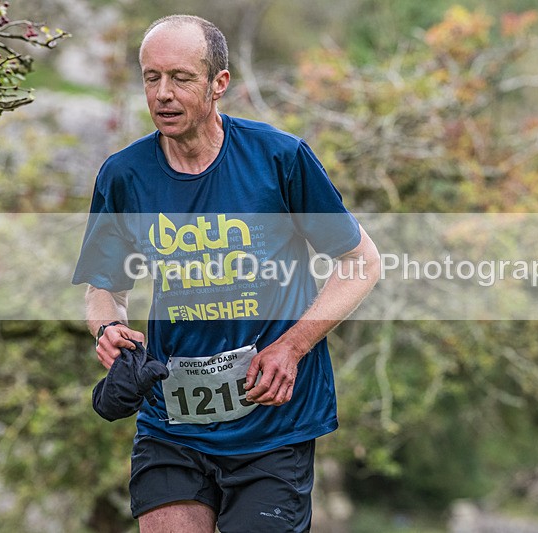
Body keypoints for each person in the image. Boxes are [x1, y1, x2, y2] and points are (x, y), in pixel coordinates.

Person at [72, 14, 380, 533]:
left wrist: (292, 346)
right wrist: (108, 332)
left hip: (272, 423)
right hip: (173, 420)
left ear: (219, 84)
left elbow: (361, 263)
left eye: (181, 78)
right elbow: (105, 288)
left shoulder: (278, 159)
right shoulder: (124, 176)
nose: (163, 94)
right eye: (152, 78)